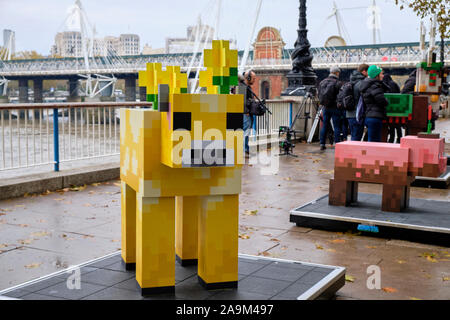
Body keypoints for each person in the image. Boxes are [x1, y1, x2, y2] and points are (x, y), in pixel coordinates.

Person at [359, 65, 389, 142]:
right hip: (375, 117)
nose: (383, 75)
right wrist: (386, 101)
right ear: (376, 75)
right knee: (374, 142)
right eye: (381, 74)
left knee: (371, 140)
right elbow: (381, 100)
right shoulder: (374, 86)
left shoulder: (368, 85)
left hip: (369, 116)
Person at [318, 67, 342, 150]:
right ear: (336, 73)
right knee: (336, 127)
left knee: (324, 125)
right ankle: (337, 144)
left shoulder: (322, 82)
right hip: (335, 107)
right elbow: (340, 96)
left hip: (325, 107)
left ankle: (322, 144)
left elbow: (319, 95)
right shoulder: (338, 83)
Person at [346, 64, 369, 141]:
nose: (369, 74)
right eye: (368, 71)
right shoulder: (361, 83)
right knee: (356, 138)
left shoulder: (352, 80)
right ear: (364, 71)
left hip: (349, 113)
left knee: (353, 135)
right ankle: (353, 153)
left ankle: (351, 152)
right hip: (357, 115)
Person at [240, 70, 257, 155]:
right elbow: (241, 101)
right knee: (245, 133)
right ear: (248, 78)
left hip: (248, 113)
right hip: (245, 114)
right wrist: (246, 112)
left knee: (246, 133)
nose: (254, 80)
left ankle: (246, 149)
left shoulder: (246, 86)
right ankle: (243, 150)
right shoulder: (242, 87)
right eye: (253, 78)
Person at [383, 74, 402, 143]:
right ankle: (399, 138)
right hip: (397, 107)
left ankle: (391, 139)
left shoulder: (385, 84)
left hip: (389, 108)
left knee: (391, 125)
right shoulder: (394, 83)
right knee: (398, 125)